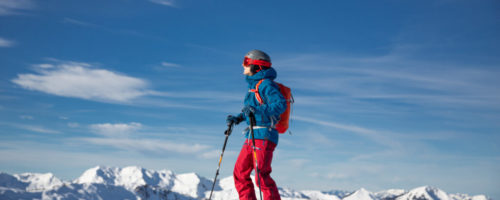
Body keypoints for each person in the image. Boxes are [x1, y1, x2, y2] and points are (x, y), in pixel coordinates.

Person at [226, 49, 286, 200]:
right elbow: (252, 110)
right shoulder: (254, 86)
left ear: (257, 66)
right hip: (252, 134)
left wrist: (256, 109)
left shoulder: (266, 84)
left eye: (246, 62)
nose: (243, 65)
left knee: (261, 175)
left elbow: (280, 104)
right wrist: (238, 118)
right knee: (240, 172)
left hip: (264, 134)